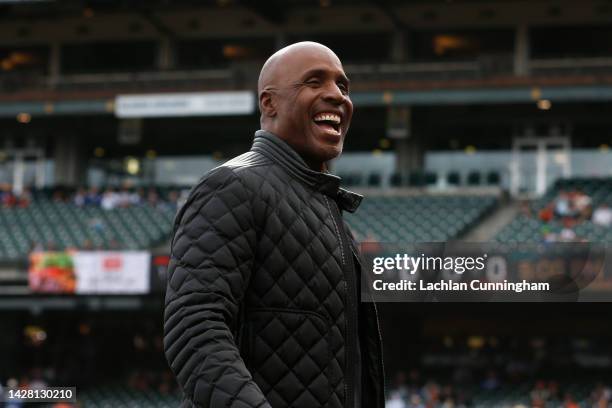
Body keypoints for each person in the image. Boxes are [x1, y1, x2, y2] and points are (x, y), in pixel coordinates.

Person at [164, 41, 385, 408]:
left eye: (343, 87)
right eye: (315, 82)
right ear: (269, 103)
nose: (336, 96)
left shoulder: (327, 208)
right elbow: (194, 331)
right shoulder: (231, 186)